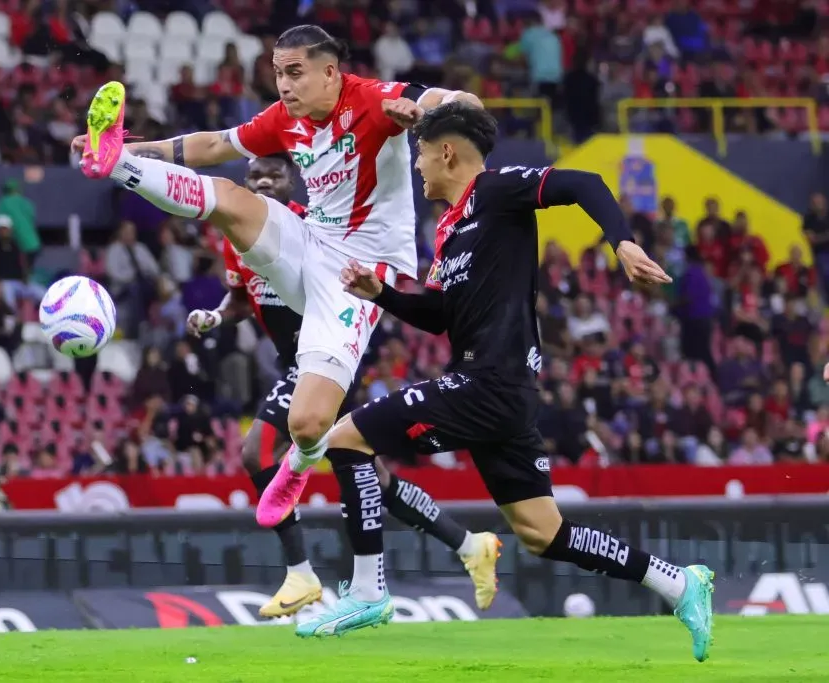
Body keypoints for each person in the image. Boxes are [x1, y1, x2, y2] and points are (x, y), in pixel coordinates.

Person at [266, 103, 714, 661]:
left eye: (421, 155)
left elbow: (584, 182)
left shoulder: (495, 191)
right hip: (499, 389)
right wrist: (381, 294)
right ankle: (677, 583)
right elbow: (440, 315)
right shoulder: (450, 227)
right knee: (541, 531)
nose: (419, 168)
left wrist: (620, 240)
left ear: (446, 152)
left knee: (342, 439)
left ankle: (367, 590)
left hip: (490, 382)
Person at [73, 25, 485, 513]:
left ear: (331, 72)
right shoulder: (285, 119)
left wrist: (424, 114)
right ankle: (115, 162)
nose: (284, 85)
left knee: (308, 425)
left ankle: (302, 461)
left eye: (295, 73)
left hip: (359, 275)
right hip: (308, 241)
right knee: (231, 199)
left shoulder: (377, 99)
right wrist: (133, 150)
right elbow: (209, 147)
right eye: (277, 74)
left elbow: (469, 104)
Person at [186, 153, 498, 618]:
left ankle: (301, 573)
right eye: (255, 175)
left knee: (257, 452)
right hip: (297, 362)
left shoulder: (307, 230)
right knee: (373, 476)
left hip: (326, 360)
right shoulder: (239, 232)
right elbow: (240, 295)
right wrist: (216, 315)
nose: (264, 182)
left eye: (275, 174)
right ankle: (470, 544)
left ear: (293, 182)